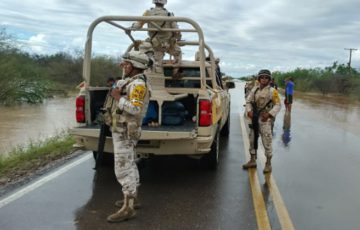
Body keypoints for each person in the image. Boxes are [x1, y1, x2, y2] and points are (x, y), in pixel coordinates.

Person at [104, 51, 151, 223]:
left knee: (123, 168)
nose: (122, 66)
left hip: (125, 131)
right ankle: (133, 199)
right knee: (129, 164)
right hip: (122, 128)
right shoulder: (131, 81)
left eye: (126, 63)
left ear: (134, 66)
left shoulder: (138, 84)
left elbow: (136, 109)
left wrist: (118, 98)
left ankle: (128, 208)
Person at [242, 69, 281, 174]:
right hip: (254, 118)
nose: (264, 79)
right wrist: (249, 111)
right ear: (259, 79)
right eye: (262, 77)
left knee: (267, 141)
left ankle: (268, 163)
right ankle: (252, 160)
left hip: (265, 120)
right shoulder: (254, 89)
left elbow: (278, 105)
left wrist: (269, 114)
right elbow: (248, 101)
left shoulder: (273, 91)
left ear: (269, 80)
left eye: (266, 78)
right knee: (252, 139)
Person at [131, 0, 182, 75]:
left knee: (157, 65)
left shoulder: (148, 13)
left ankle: (156, 78)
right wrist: (178, 38)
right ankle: (176, 72)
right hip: (169, 44)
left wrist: (131, 27)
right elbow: (177, 31)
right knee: (178, 53)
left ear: (154, 2)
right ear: (165, 3)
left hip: (156, 45)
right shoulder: (169, 14)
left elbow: (137, 26)